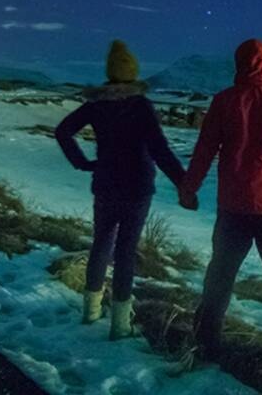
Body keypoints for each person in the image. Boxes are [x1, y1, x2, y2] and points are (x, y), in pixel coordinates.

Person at [178, 38, 262, 368]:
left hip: (233, 206)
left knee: (220, 275)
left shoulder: (224, 101)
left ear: (239, 64)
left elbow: (204, 151)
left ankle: (206, 342)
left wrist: (189, 189)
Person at [55, 40, 187, 340]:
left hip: (105, 182)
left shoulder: (96, 104)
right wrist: (183, 182)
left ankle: (90, 312)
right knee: (126, 251)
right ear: (132, 73)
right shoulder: (141, 105)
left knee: (101, 243)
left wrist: (82, 162)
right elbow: (159, 149)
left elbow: (62, 131)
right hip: (137, 185)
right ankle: (120, 324)